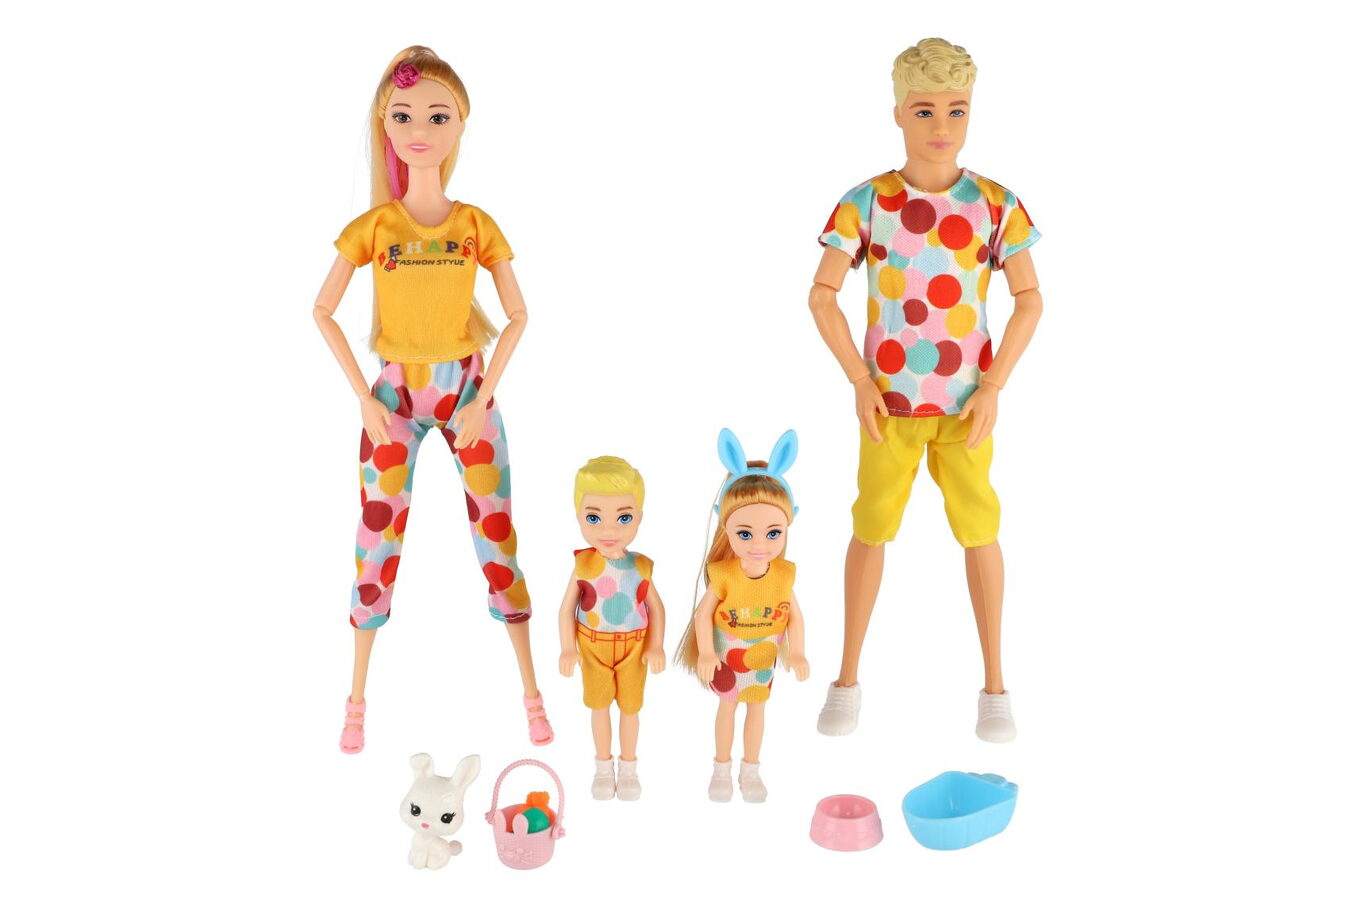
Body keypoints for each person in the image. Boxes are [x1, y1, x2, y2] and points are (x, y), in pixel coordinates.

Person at [313, 46, 553, 753]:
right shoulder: (375, 229)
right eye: (404, 116)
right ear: (384, 124)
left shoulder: (474, 226)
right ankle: (356, 697)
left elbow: (519, 315)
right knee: (376, 539)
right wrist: (363, 398)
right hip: (392, 396)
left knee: (497, 534)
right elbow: (322, 311)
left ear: (460, 125)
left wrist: (484, 397)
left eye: (438, 117)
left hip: (466, 390)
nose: (420, 130)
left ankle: (531, 691)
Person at [808, 37, 1044, 742]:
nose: (941, 125)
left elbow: (1029, 299)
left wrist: (993, 385)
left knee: (980, 530)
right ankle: (846, 678)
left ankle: (995, 686)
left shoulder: (995, 204)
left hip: (967, 408)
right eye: (924, 110)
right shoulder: (868, 202)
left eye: (955, 110)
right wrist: (859, 380)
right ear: (898, 114)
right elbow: (822, 295)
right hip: (890, 406)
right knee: (871, 527)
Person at [676, 430, 808, 803]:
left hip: (764, 658)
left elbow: (795, 617)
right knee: (727, 707)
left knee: (757, 709)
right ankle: (721, 769)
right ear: (725, 526)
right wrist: (706, 652)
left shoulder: (783, 575)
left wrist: (797, 651)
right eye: (745, 534)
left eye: (773, 533)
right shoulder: (724, 575)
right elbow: (703, 615)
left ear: (789, 524)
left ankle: (750, 770)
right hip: (727, 657)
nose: (759, 544)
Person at [559, 457, 667, 801]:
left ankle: (629, 768)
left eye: (623, 518)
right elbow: (566, 609)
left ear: (639, 518)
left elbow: (656, 608)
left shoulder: (641, 566)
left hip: (635, 647)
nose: (609, 530)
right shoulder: (583, 565)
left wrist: (656, 645)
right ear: (579, 516)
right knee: (599, 706)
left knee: (631, 708)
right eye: (594, 518)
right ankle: (603, 768)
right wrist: (567, 647)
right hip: (592, 648)